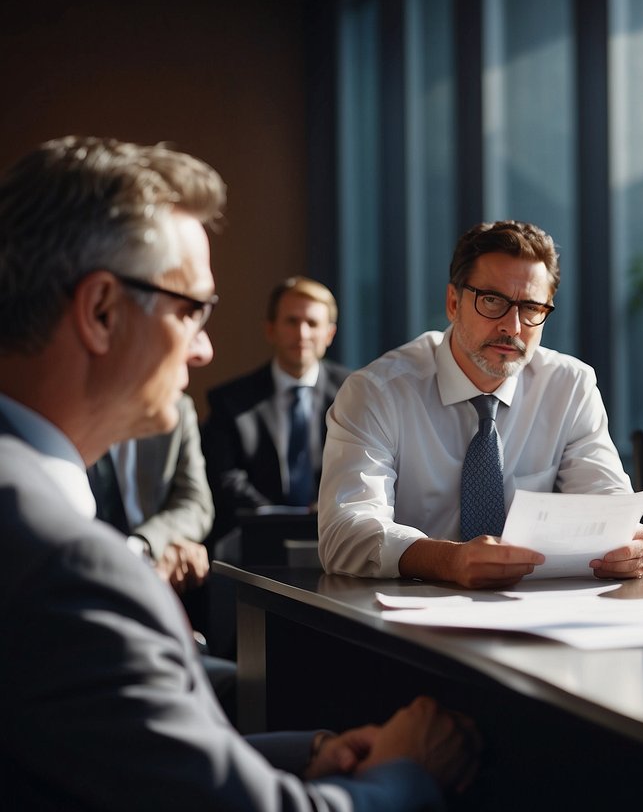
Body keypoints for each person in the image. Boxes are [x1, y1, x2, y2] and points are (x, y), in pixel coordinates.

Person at [0, 135, 476, 809]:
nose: (204, 350)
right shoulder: (65, 565)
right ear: (101, 313)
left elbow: (111, 754)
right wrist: (407, 771)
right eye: (191, 309)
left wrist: (306, 754)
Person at [318, 219, 643, 586]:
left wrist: (625, 543)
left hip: (530, 609)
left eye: (530, 308)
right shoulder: (377, 392)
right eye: (492, 300)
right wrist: (448, 561)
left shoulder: (569, 385)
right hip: (406, 609)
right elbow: (344, 532)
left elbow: (607, 504)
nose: (512, 326)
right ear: (453, 302)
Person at [202, 276, 350, 540]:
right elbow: (225, 478)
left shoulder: (354, 393)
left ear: (329, 334)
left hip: (336, 535)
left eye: (312, 323)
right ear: (270, 329)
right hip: (255, 540)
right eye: (292, 321)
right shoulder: (230, 400)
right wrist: (275, 519)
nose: (302, 333)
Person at [88, 393, 213, 594]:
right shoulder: (72, 406)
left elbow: (196, 502)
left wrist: (146, 544)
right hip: (87, 566)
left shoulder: (176, 407)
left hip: (153, 564)